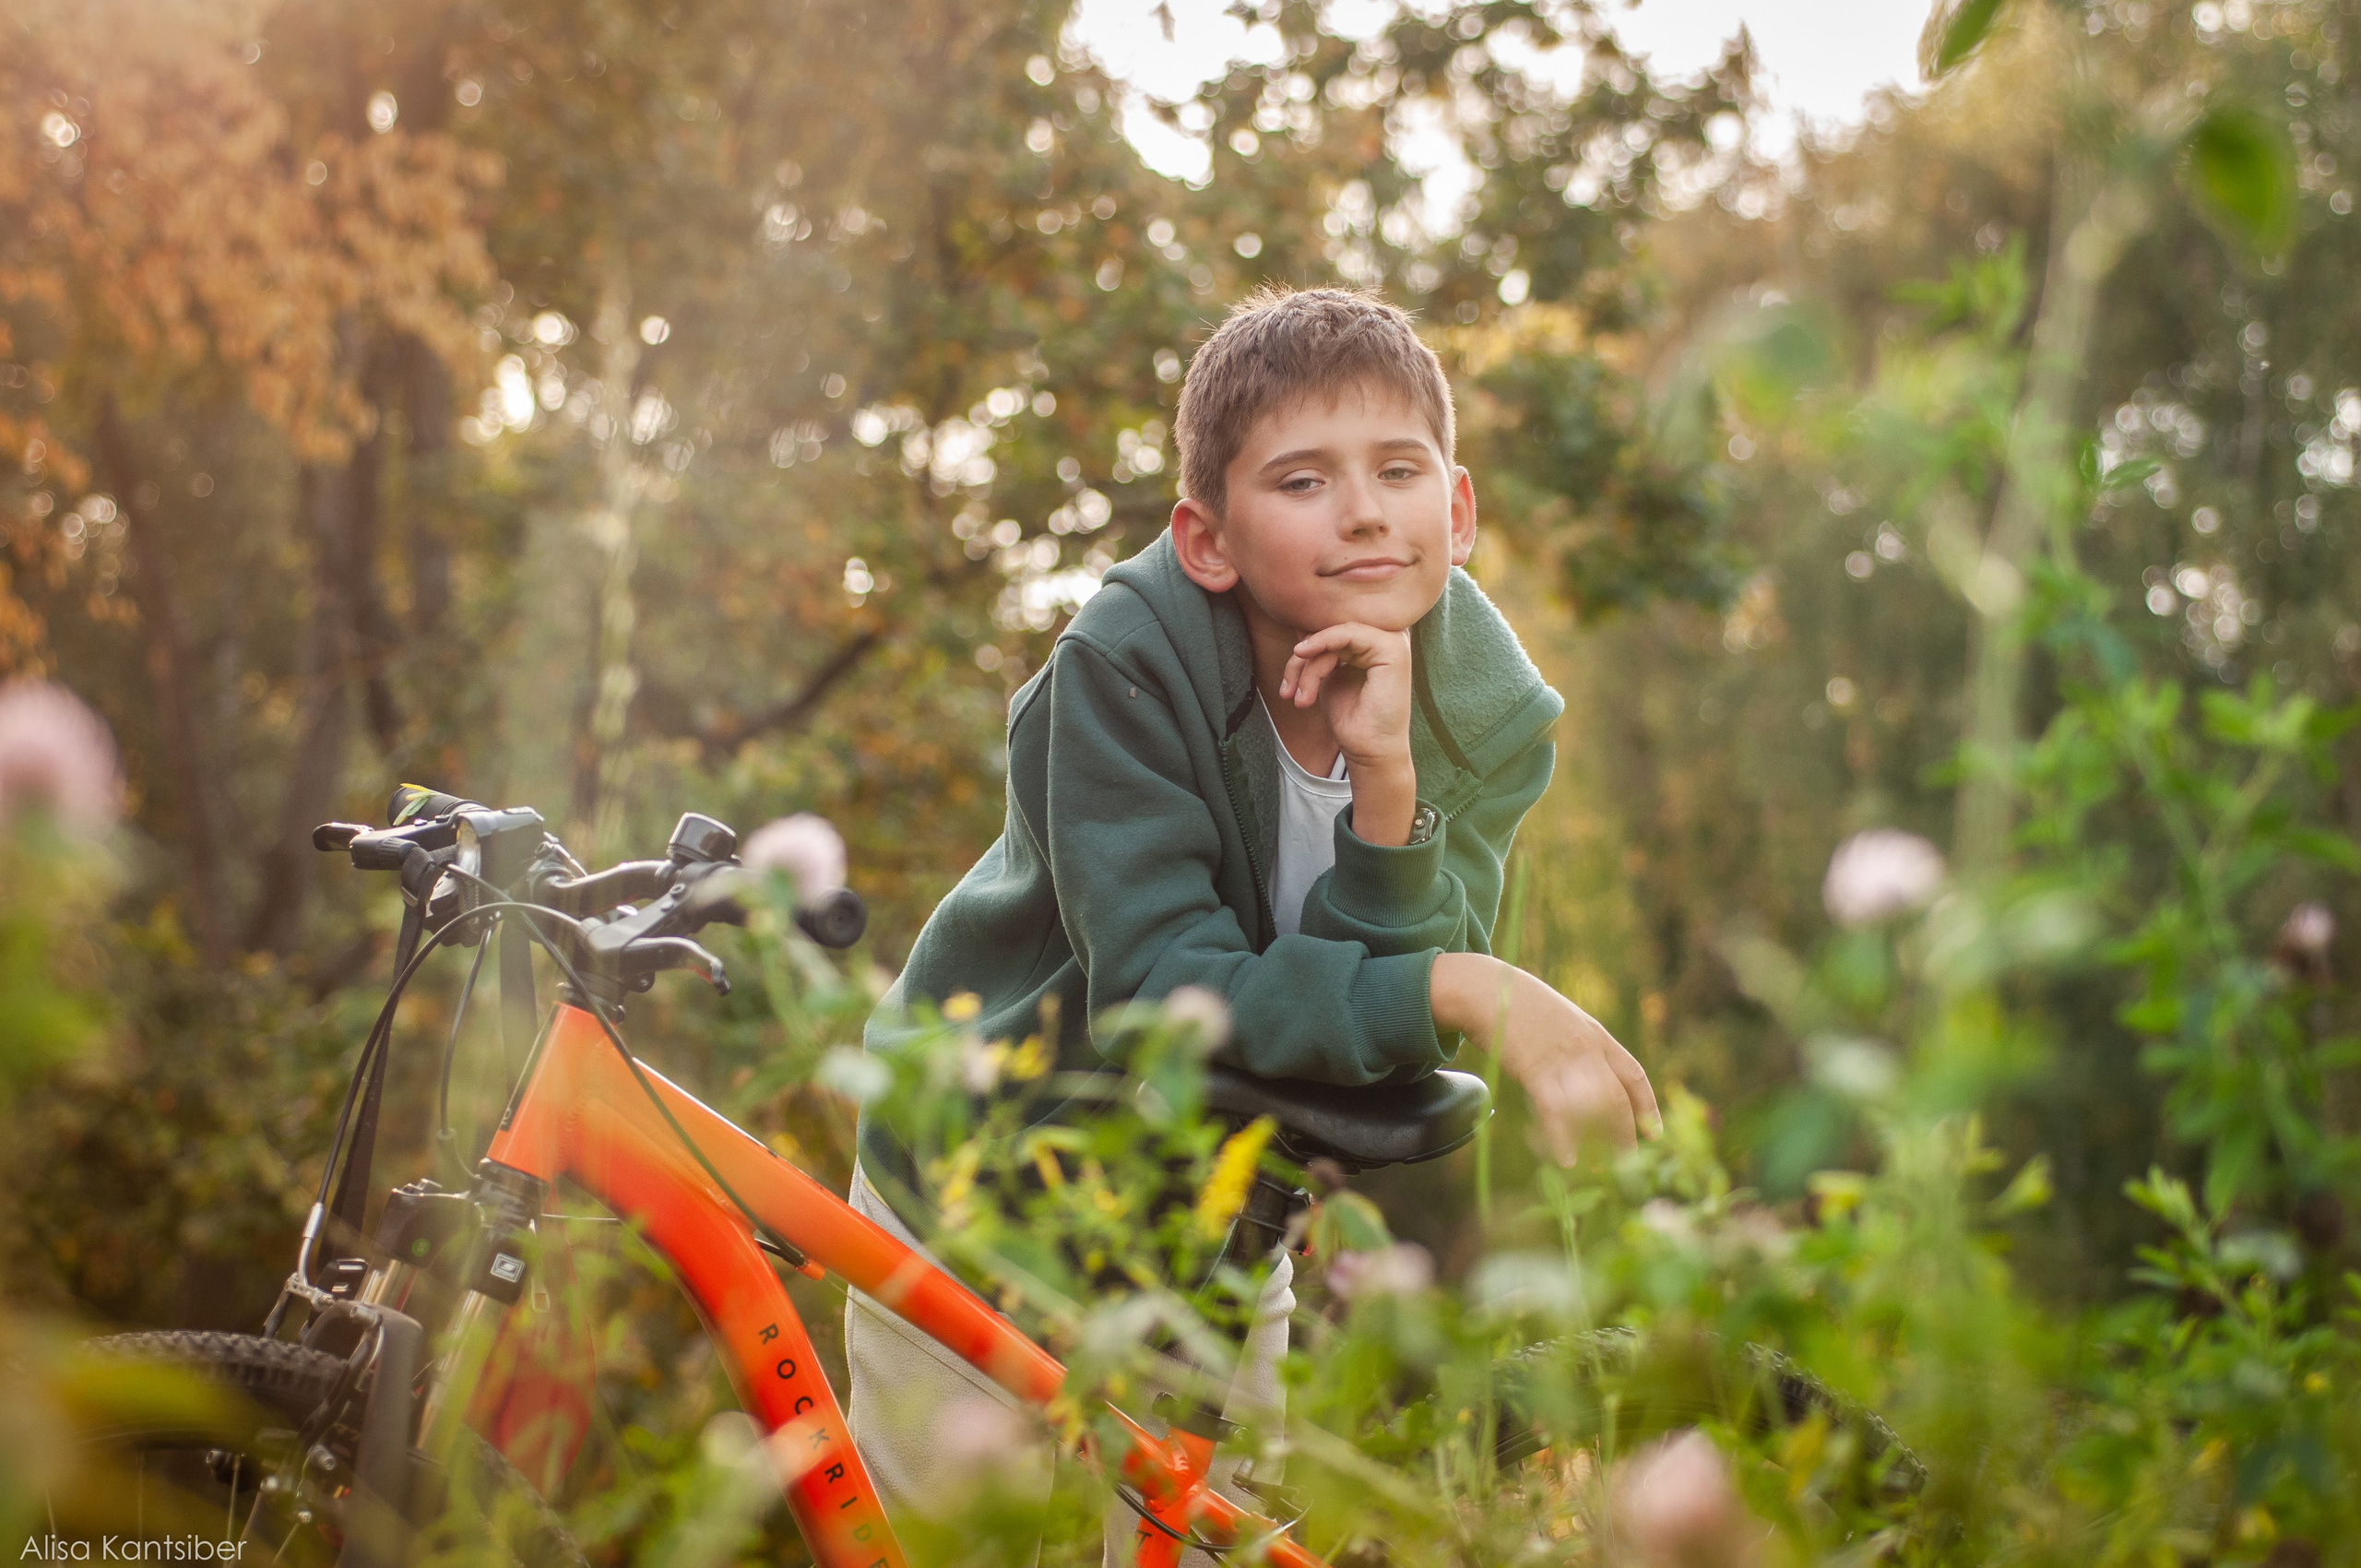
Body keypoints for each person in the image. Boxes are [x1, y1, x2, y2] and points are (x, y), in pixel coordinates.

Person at [843, 284, 1661, 1558]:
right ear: (1208, 540)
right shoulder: (1120, 670)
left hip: (1218, 1213)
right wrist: (1468, 989)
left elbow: (1377, 1032)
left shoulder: (1485, 720)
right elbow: (1171, 991)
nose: (1363, 508)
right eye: (1301, 479)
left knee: (1190, 1546)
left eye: (1399, 469)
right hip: (981, 1183)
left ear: (1457, 511)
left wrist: (1386, 787)